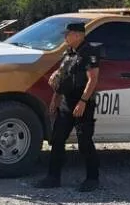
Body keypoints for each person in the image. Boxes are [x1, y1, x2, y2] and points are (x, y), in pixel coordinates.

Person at [34, 22, 101, 192]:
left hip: (83, 102)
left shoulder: (89, 52)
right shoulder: (68, 53)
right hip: (66, 101)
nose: (65, 37)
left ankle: (92, 179)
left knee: (84, 141)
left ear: (78, 35)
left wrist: (83, 102)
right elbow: (62, 78)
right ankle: (53, 177)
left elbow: (93, 79)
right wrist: (55, 98)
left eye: (68, 34)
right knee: (57, 139)